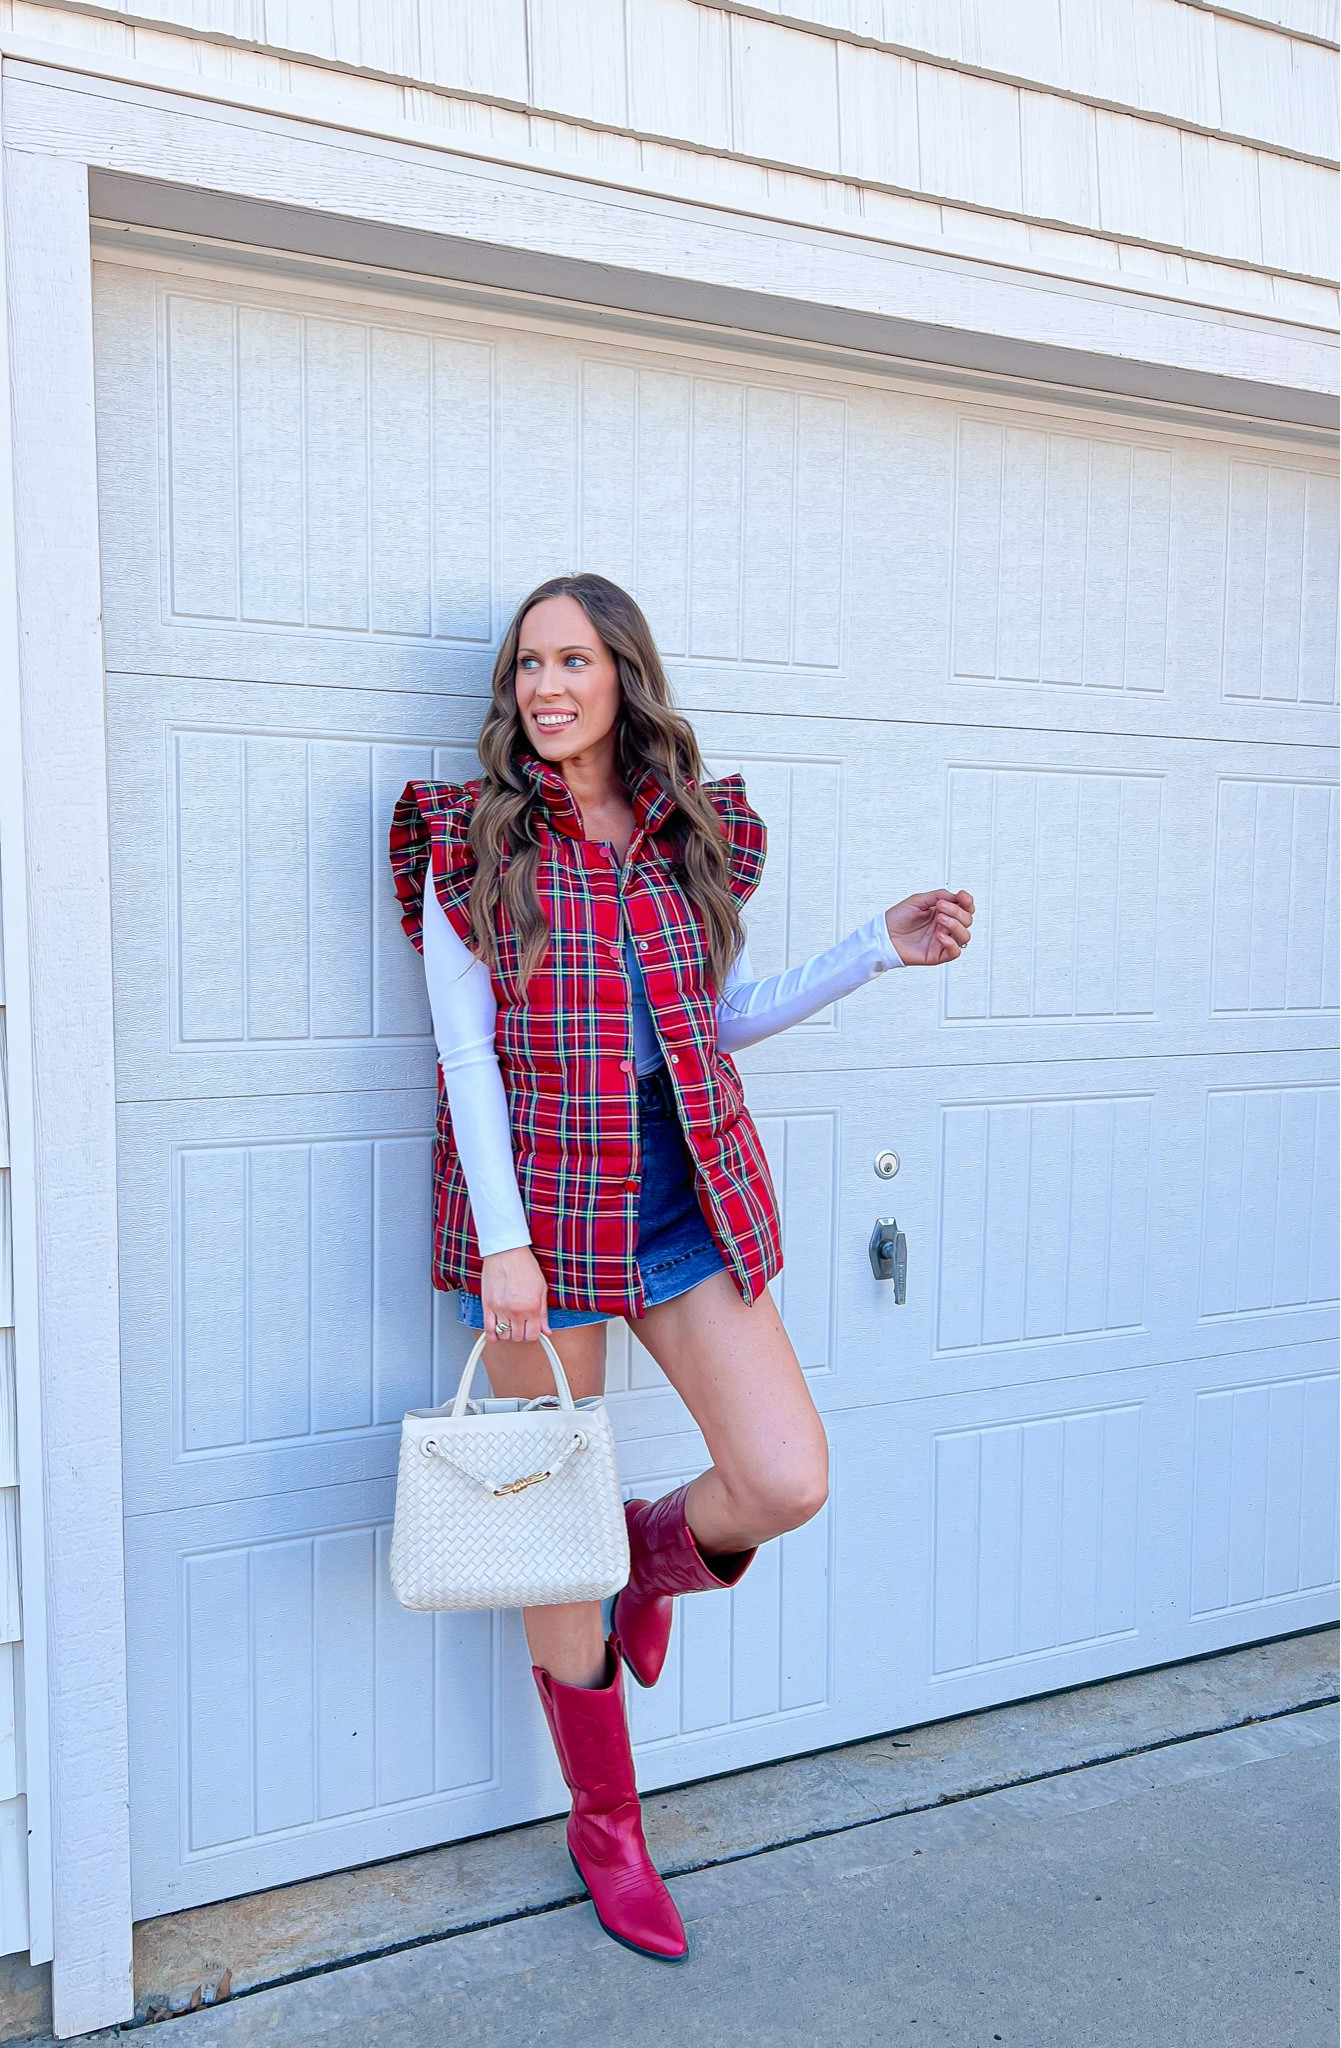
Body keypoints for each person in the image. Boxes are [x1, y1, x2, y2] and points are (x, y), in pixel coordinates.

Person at [389, 573, 974, 1965]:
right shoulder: (463, 841)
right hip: (539, 1225)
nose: (543, 688)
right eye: (526, 665)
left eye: (572, 661)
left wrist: (870, 954)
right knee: (546, 1536)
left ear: (621, 676)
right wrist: (509, 1246)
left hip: (681, 1202)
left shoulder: (686, 834)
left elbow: (711, 1025)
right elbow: (464, 1054)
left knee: (782, 1476)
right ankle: (607, 1827)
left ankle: (653, 1559)